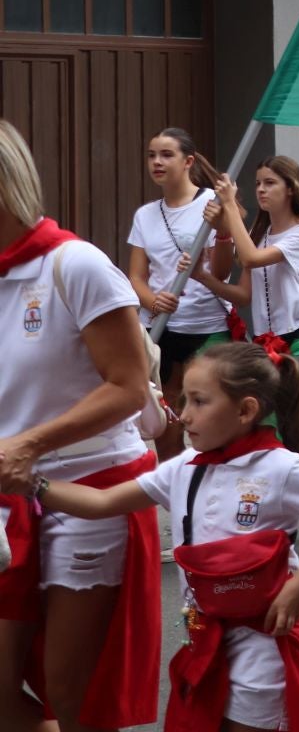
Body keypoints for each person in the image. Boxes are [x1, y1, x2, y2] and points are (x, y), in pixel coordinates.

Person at [27, 341, 299, 730]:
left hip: (263, 641)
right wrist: (33, 484)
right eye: (184, 400)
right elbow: (103, 503)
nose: (184, 415)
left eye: (199, 402)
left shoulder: (282, 468)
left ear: (245, 410)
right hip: (203, 637)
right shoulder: (183, 467)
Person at [0, 119, 158, 731]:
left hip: (89, 489)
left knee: (74, 696)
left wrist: (30, 443)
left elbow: (127, 387)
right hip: (8, 496)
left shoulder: (76, 264)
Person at [197, 157, 299, 542]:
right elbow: (244, 293)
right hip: (267, 347)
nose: (262, 190)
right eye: (258, 183)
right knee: (276, 433)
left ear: (290, 189)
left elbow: (249, 258)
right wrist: (203, 277)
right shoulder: (261, 234)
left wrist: (229, 208)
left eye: (270, 183)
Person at [127, 127, 229, 462]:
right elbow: (136, 277)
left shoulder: (212, 204)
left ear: (188, 161)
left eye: (166, 155)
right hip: (160, 331)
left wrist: (223, 230)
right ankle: (177, 491)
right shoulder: (145, 215)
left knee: (210, 429)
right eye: (151, 155)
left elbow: (222, 272)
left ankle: (209, 488)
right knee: (166, 432)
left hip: (206, 328)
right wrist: (153, 301)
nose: (157, 162)